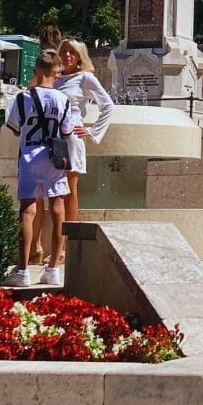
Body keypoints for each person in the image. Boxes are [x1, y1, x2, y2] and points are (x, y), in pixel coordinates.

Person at [5, 49, 75, 284]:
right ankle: (53, 269)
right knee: (58, 210)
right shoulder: (63, 99)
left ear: (35, 71)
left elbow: (15, 127)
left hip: (29, 155)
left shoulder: (24, 98)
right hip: (54, 157)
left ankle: (23, 270)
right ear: (57, 72)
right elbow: (66, 131)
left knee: (28, 211)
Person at [51, 36, 115, 260]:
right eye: (64, 51)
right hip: (51, 138)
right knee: (52, 191)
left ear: (79, 56)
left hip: (71, 137)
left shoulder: (84, 78)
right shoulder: (55, 78)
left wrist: (92, 131)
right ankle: (54, 244)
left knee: (70, 187)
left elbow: (107, 105)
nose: (67, 55)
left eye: (72, 52)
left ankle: (68, 242)